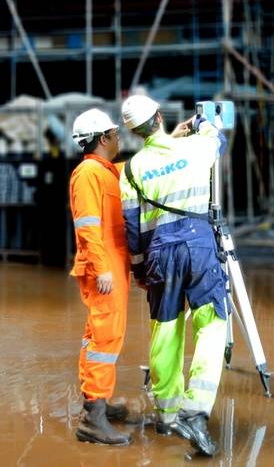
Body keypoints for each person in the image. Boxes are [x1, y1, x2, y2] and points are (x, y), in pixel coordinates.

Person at [119, 95, 229, 456]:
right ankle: (195, 412)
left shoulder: (131, 169)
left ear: (134, 132)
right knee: (212, 323)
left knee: (166, 330)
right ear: (161, 117)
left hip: (159, 255)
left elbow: (133, 230)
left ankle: (167, 417)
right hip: (198, 245)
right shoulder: (196, 148)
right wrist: (199, 124)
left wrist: (138, 270)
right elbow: (218, 138)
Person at [69, 108, 132, 446]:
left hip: (112, 265)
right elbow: (87, 226)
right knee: (104, 341)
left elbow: (134, 171)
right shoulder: (88, 174)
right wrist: (101, 266)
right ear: (104, 138)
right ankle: (93, 418)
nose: (119, 138)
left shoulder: (106, 172)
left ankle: (99, 403)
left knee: (99, 337)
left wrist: (174, 139)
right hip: (103, 268)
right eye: (115, 133)